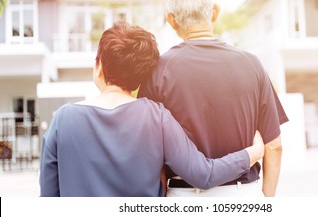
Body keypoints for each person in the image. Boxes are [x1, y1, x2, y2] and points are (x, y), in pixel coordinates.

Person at [39, 21, 264, 197]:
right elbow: (203, 174)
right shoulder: (157, 117)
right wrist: (252, 153)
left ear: (99, 66)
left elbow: (49, 199)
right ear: (141, 78)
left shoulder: (63, 120)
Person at [138, 0, 289, 197]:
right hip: (243, 195)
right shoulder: (251, 64)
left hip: (183, 197)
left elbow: (152, 154)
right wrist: (267, 200)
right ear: (215, 12)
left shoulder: (157, 72)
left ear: (171, 20)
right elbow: (274, 146)